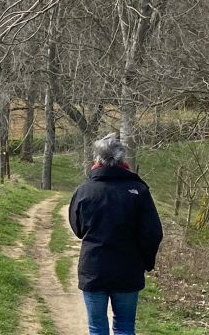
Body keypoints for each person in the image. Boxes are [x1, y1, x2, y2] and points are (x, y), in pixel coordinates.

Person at [68, 132, 163, 335]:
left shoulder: (84, 191)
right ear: (122, 159)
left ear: (97, 159)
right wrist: (146, 262)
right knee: (125, 326)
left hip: (93, 268)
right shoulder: (139, 190)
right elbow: (152, 233)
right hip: (128, 269)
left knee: (97, 328)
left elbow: (78, 229)